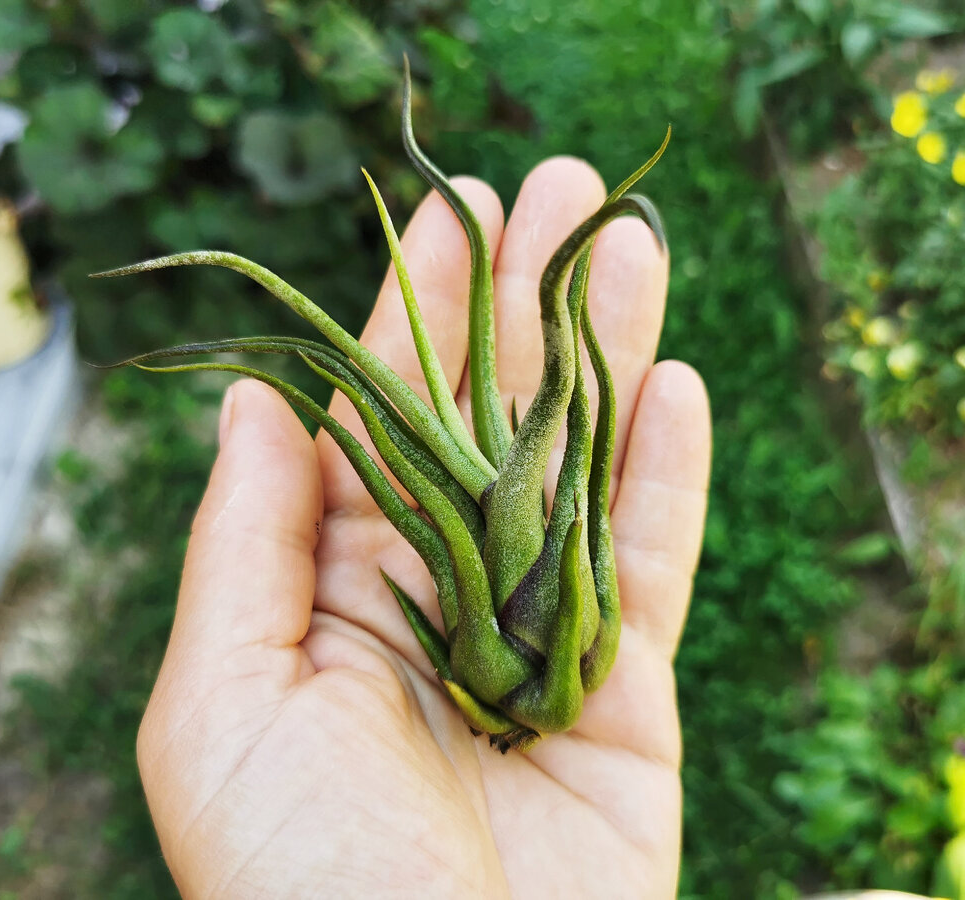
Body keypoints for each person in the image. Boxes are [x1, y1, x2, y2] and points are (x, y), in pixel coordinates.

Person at [134, 157, 712, 898]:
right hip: (519, 696)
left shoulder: (531, 661)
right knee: (551, 389)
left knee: (543, 389)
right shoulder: (564, 660)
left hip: (510, 686)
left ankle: (298, 343)